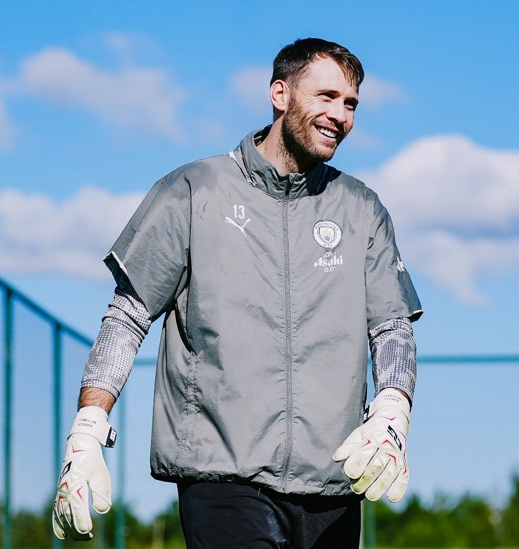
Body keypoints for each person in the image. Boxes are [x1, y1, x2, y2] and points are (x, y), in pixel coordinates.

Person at [51, 37, 423, 548]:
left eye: (351, 104)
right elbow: (127, 316)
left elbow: (391, 326)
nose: (340, 115)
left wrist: (392, 410)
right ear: (280, 94)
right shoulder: (193, 190)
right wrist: (88, 427)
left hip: (335, 480)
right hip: (221, 476)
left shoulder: (362, 208)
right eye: (326, 96)